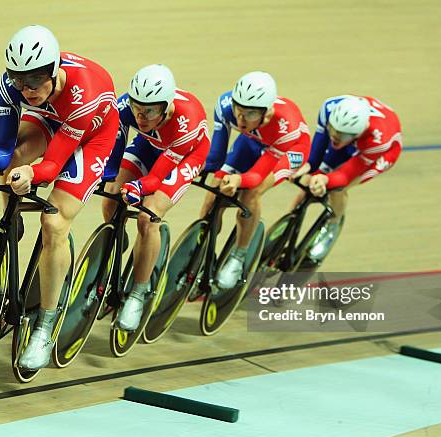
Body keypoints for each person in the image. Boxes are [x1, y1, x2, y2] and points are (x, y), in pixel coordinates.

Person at [0, 25, 119, 369]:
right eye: (19, 81)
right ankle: (11, 228)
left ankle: (45, 328)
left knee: (53, 221)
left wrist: (32, 175)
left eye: (34, 81)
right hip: (50, 119)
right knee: (14, 162)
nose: (26, 89)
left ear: (54, 70)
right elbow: (3, 148)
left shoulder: (83, 91)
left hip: (91, 136)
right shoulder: (12, 87)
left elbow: (52, 164)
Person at [101, 64, 209, 331]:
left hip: (183, 156)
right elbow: (114, 151)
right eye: (137, 107)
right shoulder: (127, 107)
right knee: (111, 196)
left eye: (149, 110)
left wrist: (139, 188)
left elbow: (156, 178)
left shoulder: (187, 120)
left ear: (167, 106)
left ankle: (138, 293)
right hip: (152, 144)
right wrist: (106, 176)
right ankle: (119, 240)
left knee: (148, 216)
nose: (141, 116)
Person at [202, 71, 311, 288]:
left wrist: (238, 181)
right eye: (238, 111)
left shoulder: (284, 126)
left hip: (290, 150)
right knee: (214, 192)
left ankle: (239, 256)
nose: (241, 119)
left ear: (267, 113)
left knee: (251, 192)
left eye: (249, 114)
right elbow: (216, 157)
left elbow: (256, 175)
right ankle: (202, 253)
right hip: (253, 139)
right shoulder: (226, 107)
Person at [293, 95, 402, 262]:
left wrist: (326, 180)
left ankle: (333, 225)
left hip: (383, 152)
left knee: (338, 188)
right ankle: (288, 223)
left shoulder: (378, 141)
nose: (335, 136)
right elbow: (316, 154)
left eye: (341, 135)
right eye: (333, 129)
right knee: (309, 181)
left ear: (359, 131)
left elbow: (345, 175)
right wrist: (307, 168)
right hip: (353, 137)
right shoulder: (329, 108)